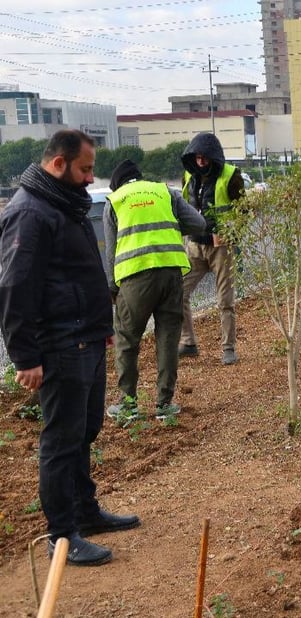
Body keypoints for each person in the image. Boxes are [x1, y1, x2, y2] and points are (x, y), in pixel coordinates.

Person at [0, 130, 140, 566]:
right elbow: (15, 287)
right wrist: (26, 357)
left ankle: (85, 512)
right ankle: (62, 535)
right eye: (85, 169)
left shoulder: (64, 203)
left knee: (85, 430)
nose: (91, 178)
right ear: (58, 164)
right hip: (60, 344)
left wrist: (101, 327)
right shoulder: (30, 212)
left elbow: (80, 273)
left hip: (86, 338)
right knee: (61, 441)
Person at [104, 159, 207, 421]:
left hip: (135, 277)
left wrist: (112, 288)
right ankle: (164, 404)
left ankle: (128, 405)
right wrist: (171, 226)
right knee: (168, 338)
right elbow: (198, 223)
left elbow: (111, 252)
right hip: (171, 274)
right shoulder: (165, 192)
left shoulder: (115, 200)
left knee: (127, 340)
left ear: (117, 184)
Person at [177, 132, 245, 366]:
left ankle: (228, 348)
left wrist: (230, 233)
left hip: (221, 248)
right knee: (179, 292)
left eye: (204, 157)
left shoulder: (231, 176)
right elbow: (183, 206)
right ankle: (188, 342)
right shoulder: (188, 175)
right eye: (197, 157)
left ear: (213, 156)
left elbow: (244, 210)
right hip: (195, 245)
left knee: (225, 301)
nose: (201, 162)